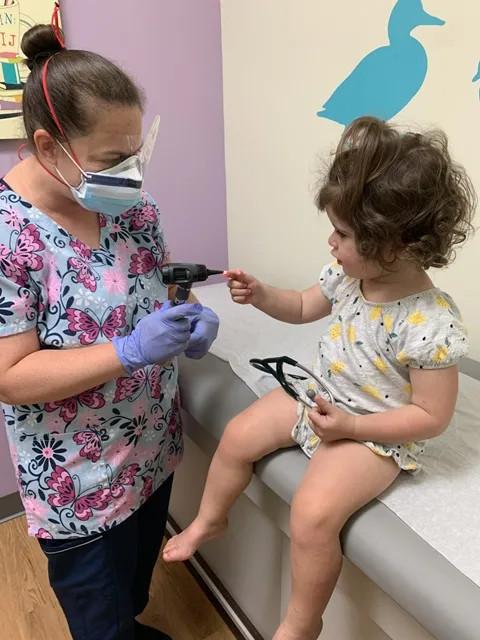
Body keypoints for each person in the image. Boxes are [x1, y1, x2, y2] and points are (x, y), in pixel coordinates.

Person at [163, 116, 476, 640]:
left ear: (393, 246)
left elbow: (431, 417)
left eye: (344, 233)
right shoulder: (350, 275)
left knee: (311, 512)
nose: (330, 242)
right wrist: (262, 295)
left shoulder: (431, 323)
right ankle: (210, 518)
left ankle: (301, 623)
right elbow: (306, 304)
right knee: (239, 434)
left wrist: (352, 429)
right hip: (320, 395)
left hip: (373, 432)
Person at [0, 18, 219, 640]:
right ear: (47, 147)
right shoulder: (10, 237)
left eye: (135, 153)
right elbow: (10, 378)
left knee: (133, 593)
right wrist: (127, 350)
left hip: (150, 452)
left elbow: (154, 291)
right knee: (101, 624)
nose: (131, 172)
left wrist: (187, 316)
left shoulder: (134, 211)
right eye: (111, 159)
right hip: (78, 482)